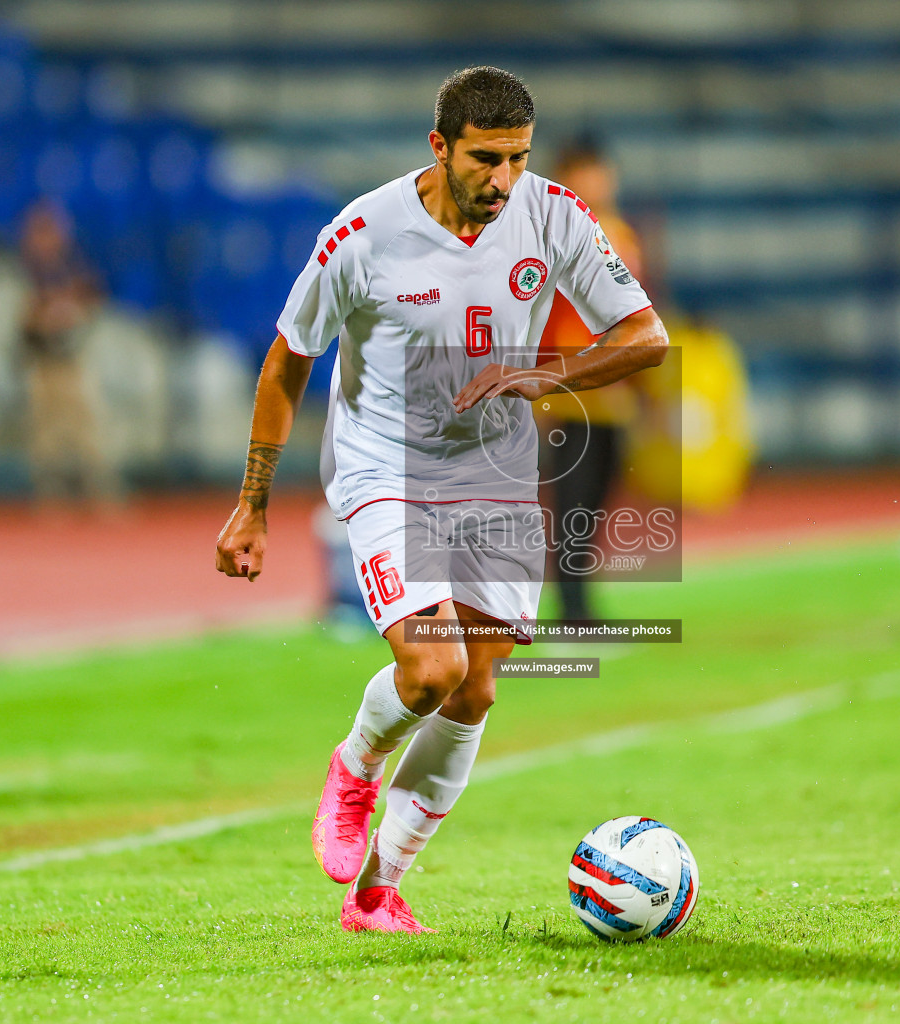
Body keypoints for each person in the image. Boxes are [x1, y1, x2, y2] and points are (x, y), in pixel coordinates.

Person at [214, 66, 668, 933]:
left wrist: (545, 373)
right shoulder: (362, 233)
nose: (503, 180)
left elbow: (646, 335)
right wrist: (254, 502)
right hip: (388, 470)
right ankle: (355, 766)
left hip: (493, 476)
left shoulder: (554, 215)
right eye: (485, 159)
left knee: (475, 692)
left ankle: (378, 894)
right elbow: (286, 363)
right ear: (440, 148)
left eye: (517, 159)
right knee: (433, 668)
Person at [535, 138, 648, 624]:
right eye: (583, 173)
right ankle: (571, 608)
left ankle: (582, 601)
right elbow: (538, 315)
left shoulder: (622, 234)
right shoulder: (556, 236)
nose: (595, 182)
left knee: (597, 503)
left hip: (614, 395)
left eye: (599, 171)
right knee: (571, 504)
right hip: (570, 396)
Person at [19, 200, 117, 506]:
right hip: (42, 360)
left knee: (86, 425)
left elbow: (93, 298)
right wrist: (44, 311)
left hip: (72, 357)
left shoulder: (72, 263)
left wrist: (69, 305)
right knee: (46, 433)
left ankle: (100, 490)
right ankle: (51, 495)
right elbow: (22, 320)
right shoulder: (24, 270)